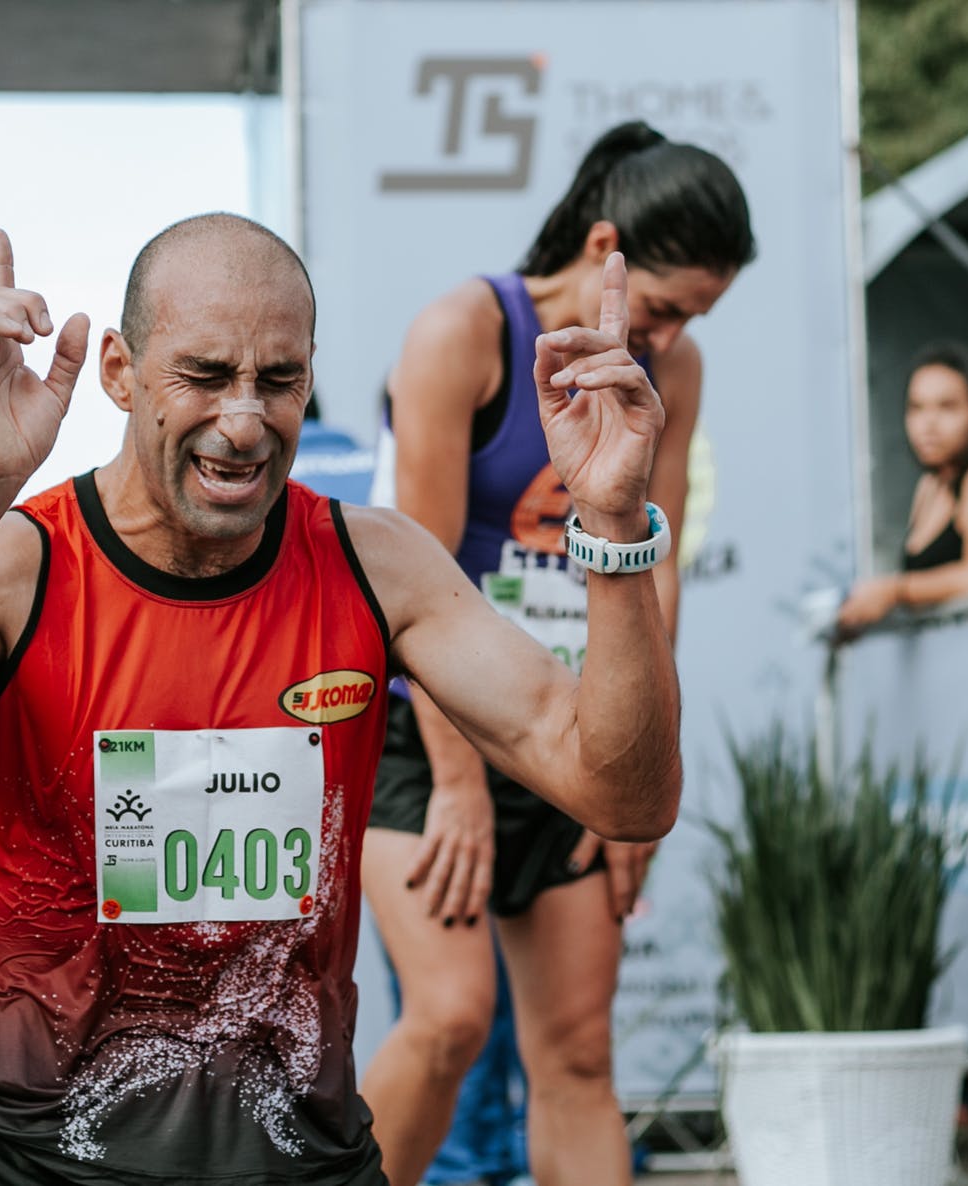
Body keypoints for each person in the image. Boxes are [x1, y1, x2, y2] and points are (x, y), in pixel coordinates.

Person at [0, 216, 681, 1186]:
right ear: (120, 372)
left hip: (302, 1163)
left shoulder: (377, 564)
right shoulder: (21, 567)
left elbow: (623, 794)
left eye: (277, 380)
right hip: (33, 1168)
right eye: (202, 375)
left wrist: (614, 523)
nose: (243, 422)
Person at [360, 119, 752, 1186]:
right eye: (664, 306)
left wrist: (633, 773)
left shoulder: (674, 370)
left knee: (577, 1053)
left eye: (693, 318)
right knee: (449, 1019)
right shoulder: (463, 331)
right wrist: (459, 785)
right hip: (429, 728)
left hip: (571, 728)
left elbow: (655, 571)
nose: (670, 335)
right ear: (605, 247)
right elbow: (419, 582)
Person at [835, 342, 968, 636]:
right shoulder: (929, 488)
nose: (928, 424)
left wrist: (893, 591)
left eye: (947, 407)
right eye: (916, 408)